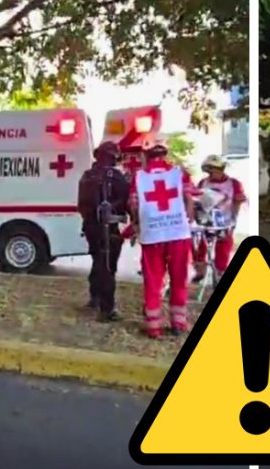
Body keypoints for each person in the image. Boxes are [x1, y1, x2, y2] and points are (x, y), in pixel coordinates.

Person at [131, 136, 196, 338]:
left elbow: (134, 206)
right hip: (178, 233)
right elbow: (189, 200)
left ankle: (154, 326)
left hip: (152, 236)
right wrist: (186, 219)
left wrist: (136, 225)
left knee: (153, 280)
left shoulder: (138, 176)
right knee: (179, 277)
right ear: (165, 153)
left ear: (146, 155)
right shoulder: (179, 173)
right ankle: (179, 323)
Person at [77, 141, 131, 322]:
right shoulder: (116, 176)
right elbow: (127, 202)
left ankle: (94, 297)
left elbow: (81, 205)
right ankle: (107, 309)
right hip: (110, 229)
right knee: (108, 267)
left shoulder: (87, 175)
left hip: (91, 227)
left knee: (98, 261)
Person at [192, 154, 246, 282]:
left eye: (213, 171)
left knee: (224, 246)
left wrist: (234, 220)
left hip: (225, 221)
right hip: (205, 221)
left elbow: (238, 200)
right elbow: (196, 200)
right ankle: (200, 271)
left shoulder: (233, 183)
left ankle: (220, 272)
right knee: (201, 245)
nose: (211, 174)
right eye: (209, 171)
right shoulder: (203, 183)